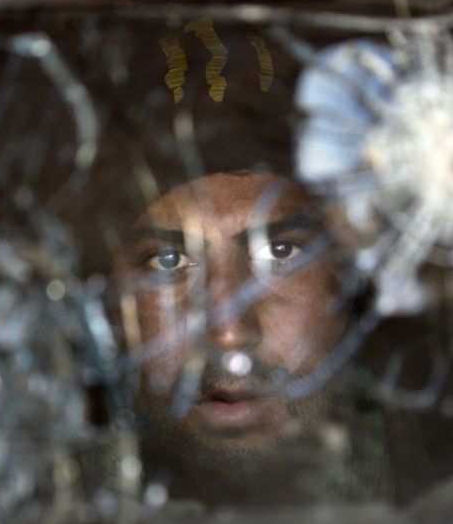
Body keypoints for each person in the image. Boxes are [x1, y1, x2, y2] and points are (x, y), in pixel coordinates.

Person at [109, 170, 363, 506]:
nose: (228, 334)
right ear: (110, 310)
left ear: (346, 290)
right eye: (168, 260)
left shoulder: (444, 518)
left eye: (281, 252)